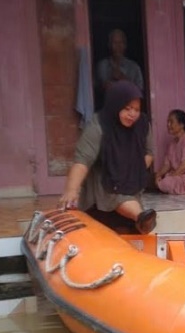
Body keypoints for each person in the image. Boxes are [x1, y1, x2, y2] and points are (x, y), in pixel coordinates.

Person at [58, 80, 157, 235]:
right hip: (104, 182)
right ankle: (141, 217)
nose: (133, 114)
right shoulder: (98, 125)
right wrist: (71, 190)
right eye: (127, 108)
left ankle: (140, 219)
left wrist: (133, 172)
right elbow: (82, 161)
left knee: (130, 229)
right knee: (115, 195)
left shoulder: (142, 124)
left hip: (130, 182)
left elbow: (149, 153)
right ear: (115, 105)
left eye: (137, 109)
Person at [95, 29, 144, 94]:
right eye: (114, 43)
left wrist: (122, 78)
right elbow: (94, 89)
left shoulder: (134, 67)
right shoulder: (102, 65)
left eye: (121, 43)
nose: (118, 46)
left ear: (125, 45)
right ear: (109, 45)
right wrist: (104, 87)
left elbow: (140, 91)